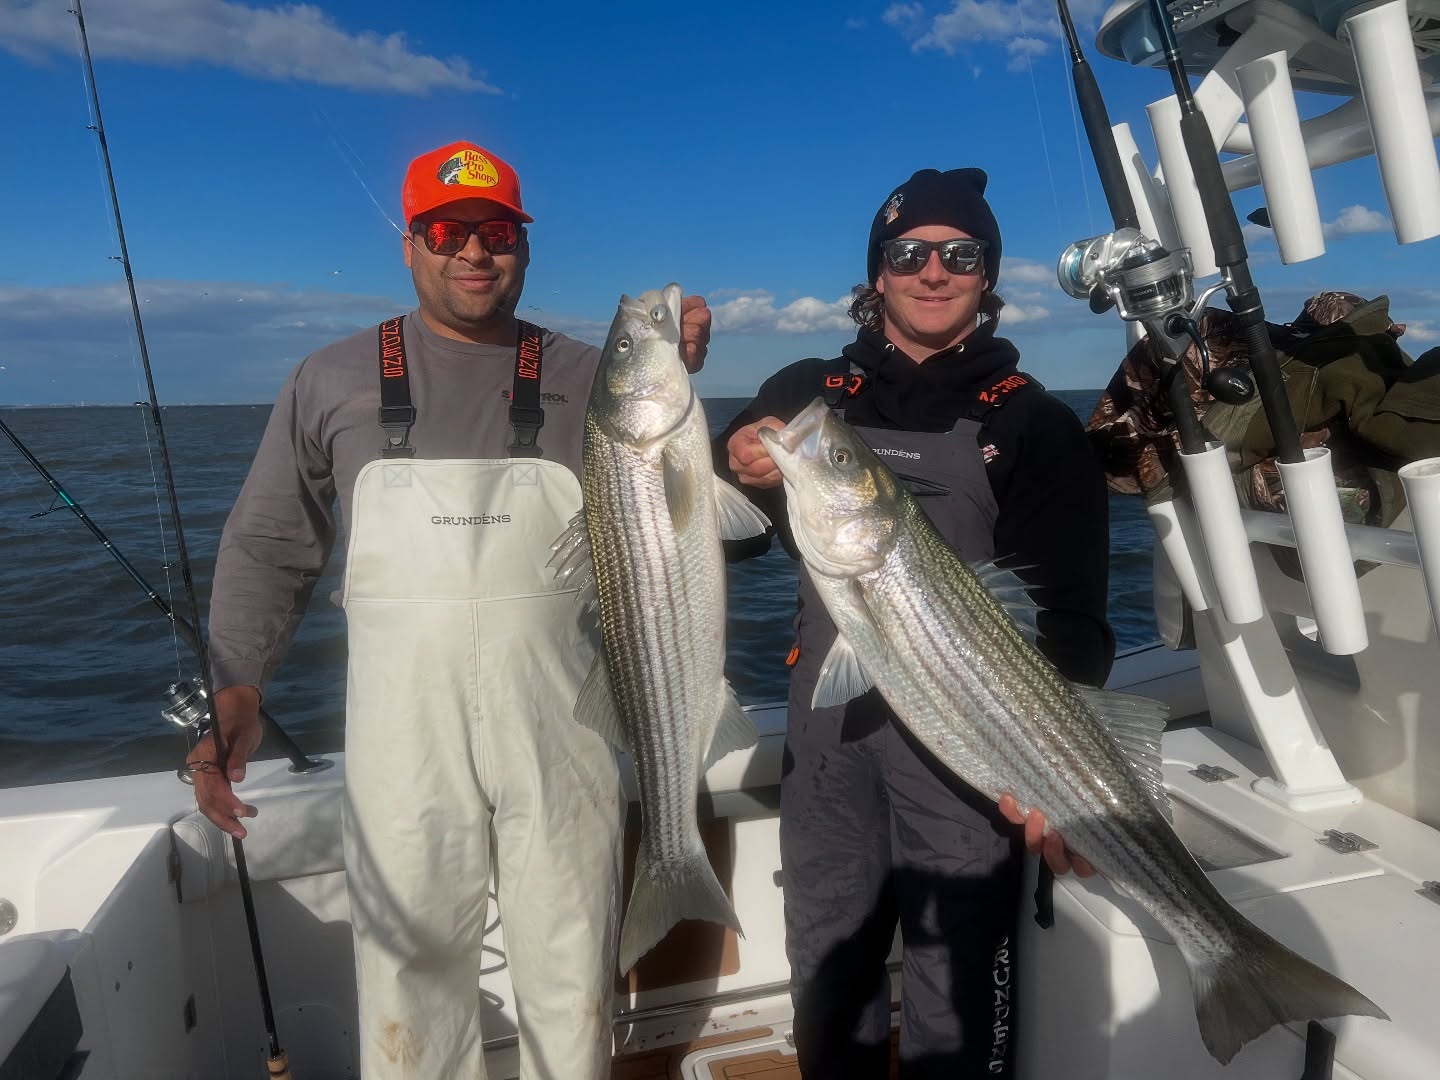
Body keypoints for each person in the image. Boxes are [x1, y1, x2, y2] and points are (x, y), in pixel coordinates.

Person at [186, 140, 712, 1078]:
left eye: (497, 232)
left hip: (566, 723)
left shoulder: (594, 374)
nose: (474, 251)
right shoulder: (331, 378)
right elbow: (270, 545)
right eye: (447, 230)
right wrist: (238, 689)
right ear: (411, 244)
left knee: (571, 963)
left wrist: (678, 361)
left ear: (524, 246)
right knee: (408, 971)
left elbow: (666, 508)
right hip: (402, 736)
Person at [716, 167, 1115, 1077]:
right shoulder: (809, 391)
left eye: (960, 254)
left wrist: (1062, 768)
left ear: (987, 276)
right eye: (909, 254)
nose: (933, 273)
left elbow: (1076, 623)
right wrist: (731, 463)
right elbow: (727, 541)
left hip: (974, 745)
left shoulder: (1036, 426)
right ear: (878, 273)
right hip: (831, 739)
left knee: (957, 987)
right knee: (828, 964)